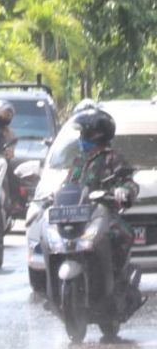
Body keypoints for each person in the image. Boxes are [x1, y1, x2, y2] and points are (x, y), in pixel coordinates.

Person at [65, 108, 139, 286]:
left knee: (123, 234)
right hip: (77, 214)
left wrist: (123, 190)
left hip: (102, 213)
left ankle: (119, 279)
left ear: (95, 134)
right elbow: (68, 184)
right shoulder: (79, 160)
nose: (80, 137)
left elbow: (129, 182)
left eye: (84, 133)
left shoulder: (112, 158)